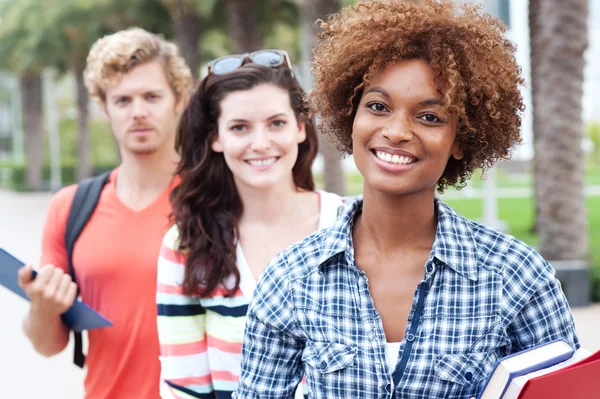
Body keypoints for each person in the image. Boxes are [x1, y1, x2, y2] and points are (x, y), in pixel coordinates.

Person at [234, 1, 580, 398]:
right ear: (351, 116)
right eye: (378, 107)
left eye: (429, 117)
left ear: (461, 141)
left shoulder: (516, 276)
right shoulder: (291, 277)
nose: (396, 131)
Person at [156, 50, 344, 398]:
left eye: (276, 123)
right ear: (216, 138)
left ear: (300, 128)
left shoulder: (351, 228)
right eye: (240, 127)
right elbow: (185, 388)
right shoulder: (186, 244)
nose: (260, 144)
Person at [17, 27, 193, 399]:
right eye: (123, 100)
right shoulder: (71, 207)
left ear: (179, 100)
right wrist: (43, 308)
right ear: (103, 106)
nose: (139, 112)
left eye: (152, 96)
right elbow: (49, 345)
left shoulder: (212, 198)